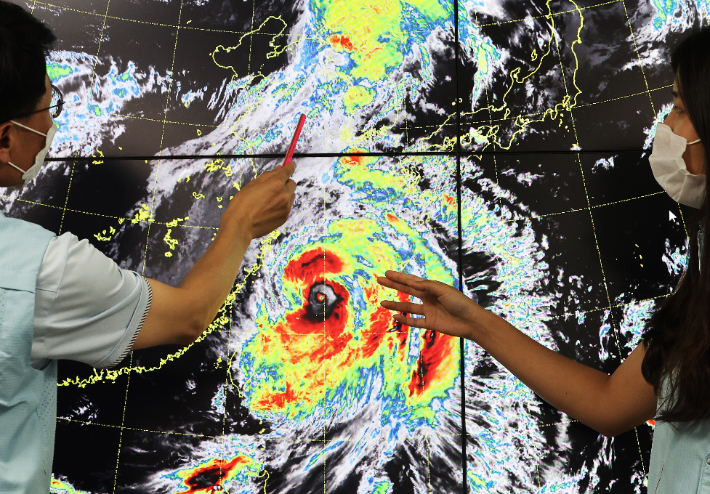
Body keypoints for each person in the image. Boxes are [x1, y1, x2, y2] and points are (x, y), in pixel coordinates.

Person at [378, 27, 710, 494]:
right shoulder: (701, 277)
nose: (667, 127)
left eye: (679, 107)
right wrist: (474, 322)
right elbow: (611, 404)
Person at [0, 2, 297, 492]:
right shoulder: (35, 270)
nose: (51, 127)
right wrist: (241, 223)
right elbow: (188, 316)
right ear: (7, 139)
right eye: (46, 110)